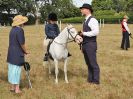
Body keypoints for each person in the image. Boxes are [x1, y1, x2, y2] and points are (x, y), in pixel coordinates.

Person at [7, 15, 28, 93]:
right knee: (17, 71)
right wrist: (25, 51)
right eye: (23, 22)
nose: (24, 24)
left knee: (11, 70)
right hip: (17, 54)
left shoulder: (12, 29)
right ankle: (17, 89)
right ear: (21, 23)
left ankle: (12, 87)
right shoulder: (20, 30)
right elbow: (22, 43)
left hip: (11, 53)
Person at [79, 4, 100, 84]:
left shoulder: (92, 20)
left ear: (87, 10)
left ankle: (96, 80)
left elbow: (96, 32)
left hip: (90, 44)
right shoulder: (85, 20)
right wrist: (82, 45)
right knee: (88, 63)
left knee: (93, 63)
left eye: (82, 9)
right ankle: (90, 79)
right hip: (85, 44)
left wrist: (84, 33)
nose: (81, 10)